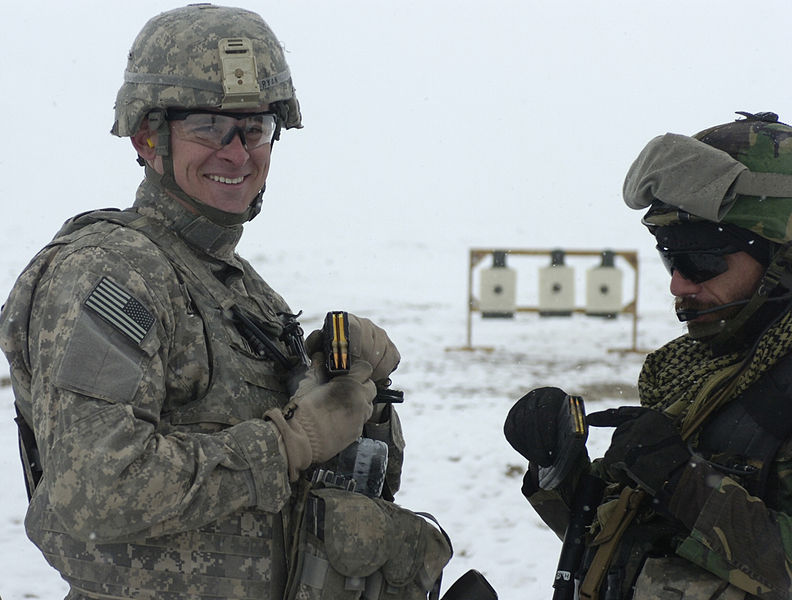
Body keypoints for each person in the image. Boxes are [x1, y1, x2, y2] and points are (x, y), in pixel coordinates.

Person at [0, 5, 450, 599]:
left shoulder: (244, 292)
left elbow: (316, 484)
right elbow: (96, 488)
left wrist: (353, 392)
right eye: (209, 127)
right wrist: (288, 441)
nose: (237, 154)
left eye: (255, 128)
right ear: (147, 136)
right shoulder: (110, 275)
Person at [504, 111, 792, 600]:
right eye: (669, 258)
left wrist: (685, 483)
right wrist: (561, 469)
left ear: (780, 257)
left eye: (700, 260)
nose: (678, 284)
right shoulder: (688, 374)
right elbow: (629, 543)